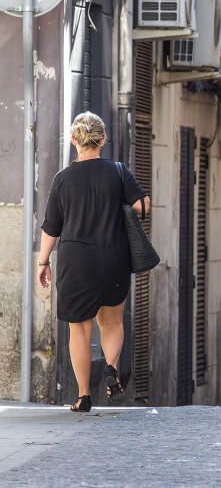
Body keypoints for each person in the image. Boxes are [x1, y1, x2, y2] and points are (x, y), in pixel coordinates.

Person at [37, 112, 150, 412]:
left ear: (73, 140)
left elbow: (51, 227)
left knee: (80, 328)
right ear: (103, 139)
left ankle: (83, 395)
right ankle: (111, 367)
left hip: (77, 261)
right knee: (112, 321)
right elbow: (141, 206)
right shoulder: (118, 171)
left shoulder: (62, 179)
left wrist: (43, 262)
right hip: (113, 257)